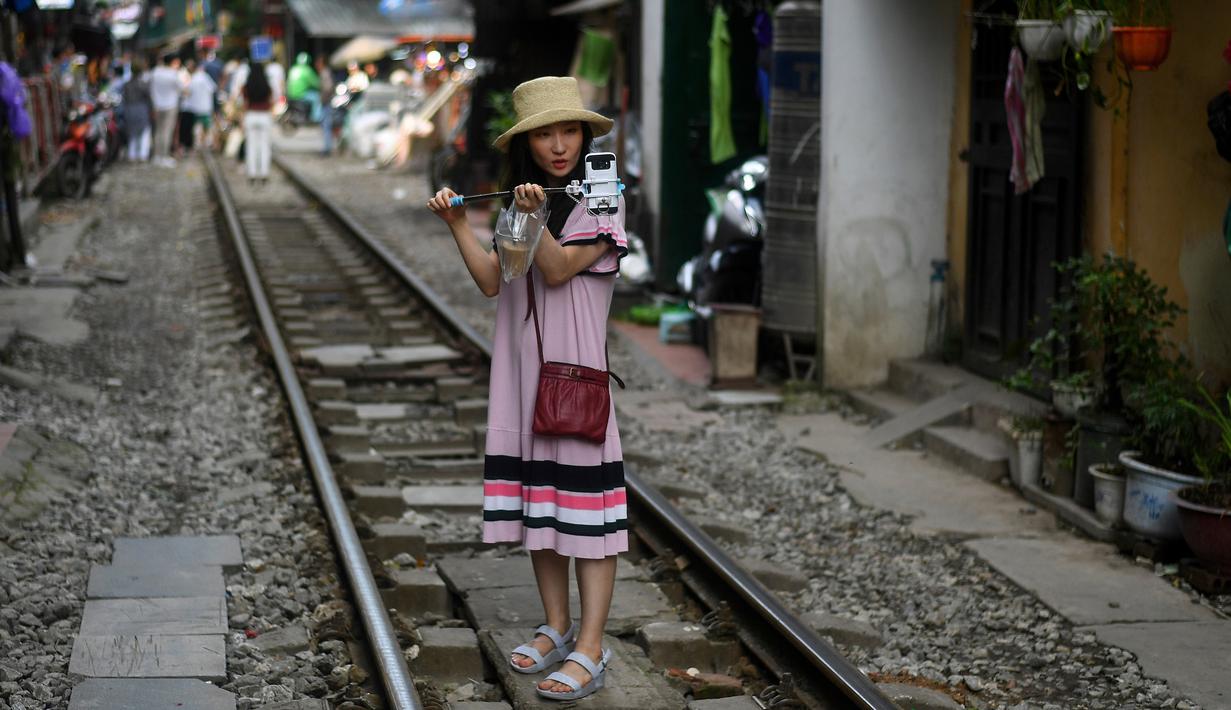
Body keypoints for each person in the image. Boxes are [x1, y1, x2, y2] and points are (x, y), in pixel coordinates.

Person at [427, 76, 626, 701]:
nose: (560, 145)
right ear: (528, 143)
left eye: (569, 131)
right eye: (546, 134)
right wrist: (460, 223)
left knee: (589, 521)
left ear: (586, 135)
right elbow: (495, 280)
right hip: (525, 379)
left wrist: (534, 215)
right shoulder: (521, 204)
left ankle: (592, 648)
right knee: (544, 512)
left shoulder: (604, 199)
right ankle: (558, 627)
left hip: (576, 382)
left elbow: (562, 268)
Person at [242, 61, 275, 185]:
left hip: (251, 116)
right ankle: (264, 173)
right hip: (264, 116)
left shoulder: (247, 86)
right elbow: (272, 101)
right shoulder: (267, 85)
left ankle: (252, 174)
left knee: (251, 146)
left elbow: (244, 103)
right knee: (265, 146)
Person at [149, 54, 181, 167]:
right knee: (167, 132)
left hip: (157, 106)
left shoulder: (155, 72)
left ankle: (157, 156)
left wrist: (153, 105)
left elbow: (151, 89)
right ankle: (164, 156)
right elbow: (180, 88)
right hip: (170, 105)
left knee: (158, 131)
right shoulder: (173, 74)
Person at [121, 58, 152, 162]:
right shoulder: (143, 83)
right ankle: (142, 155)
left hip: (129, 109)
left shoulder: (126, 84)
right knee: (144, 133)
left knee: (132, 133)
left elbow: (124, 99)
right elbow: (148, 98)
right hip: (141, 109)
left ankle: (132, 154)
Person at [185, 60, 217, 150]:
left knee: (198, 126)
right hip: (205, 106)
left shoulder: (195, 78)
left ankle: (200, 144)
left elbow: (188, 92)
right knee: (205, 126)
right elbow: (213, 89)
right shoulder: (203, 76)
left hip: (196, 107)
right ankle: (205, 143)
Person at [315, 55, 335, 155]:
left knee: (326, 125)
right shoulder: (325, 72)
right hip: (326, 102)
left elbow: (328, 87)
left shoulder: (325, 73)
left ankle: (327, 148)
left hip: (326, 103)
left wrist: (323, 99)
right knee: (325, 125)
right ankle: (327, 147)